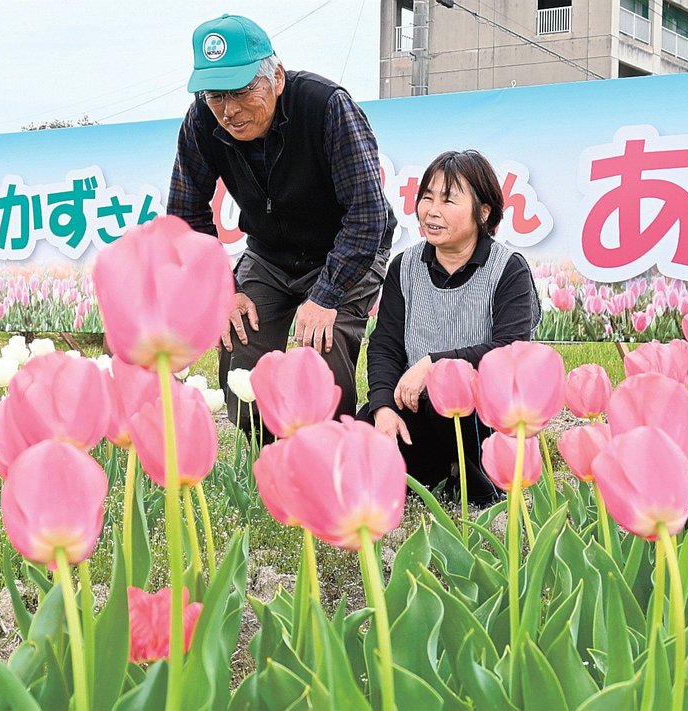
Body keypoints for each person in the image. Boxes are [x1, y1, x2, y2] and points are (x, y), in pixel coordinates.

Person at [168, 14, 395, 432]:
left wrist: (326, 296)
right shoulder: (201, 120)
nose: (229, 111)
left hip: (344, 249)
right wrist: (223, 291)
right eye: (215, 95)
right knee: (239, 339)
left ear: (277, 77)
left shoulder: (326, 107)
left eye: (241, 91)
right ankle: (266, 454)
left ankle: (332, 448)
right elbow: (186, 217)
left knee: (322, 347)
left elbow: (366, 215)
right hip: (270, 254)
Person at [364, 150, 541, 506]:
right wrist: (382, 406)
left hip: (481, 414)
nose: (432, 211)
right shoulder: (404, 266)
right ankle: (442, 472)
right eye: (427, 197)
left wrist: (434, 365)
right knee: (362, 435)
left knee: (448, 405)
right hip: (417, 407)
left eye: (448, 200)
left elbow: (510, 349)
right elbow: (385, 345)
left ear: (483, 212)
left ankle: (481, 483)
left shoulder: (508, 269)